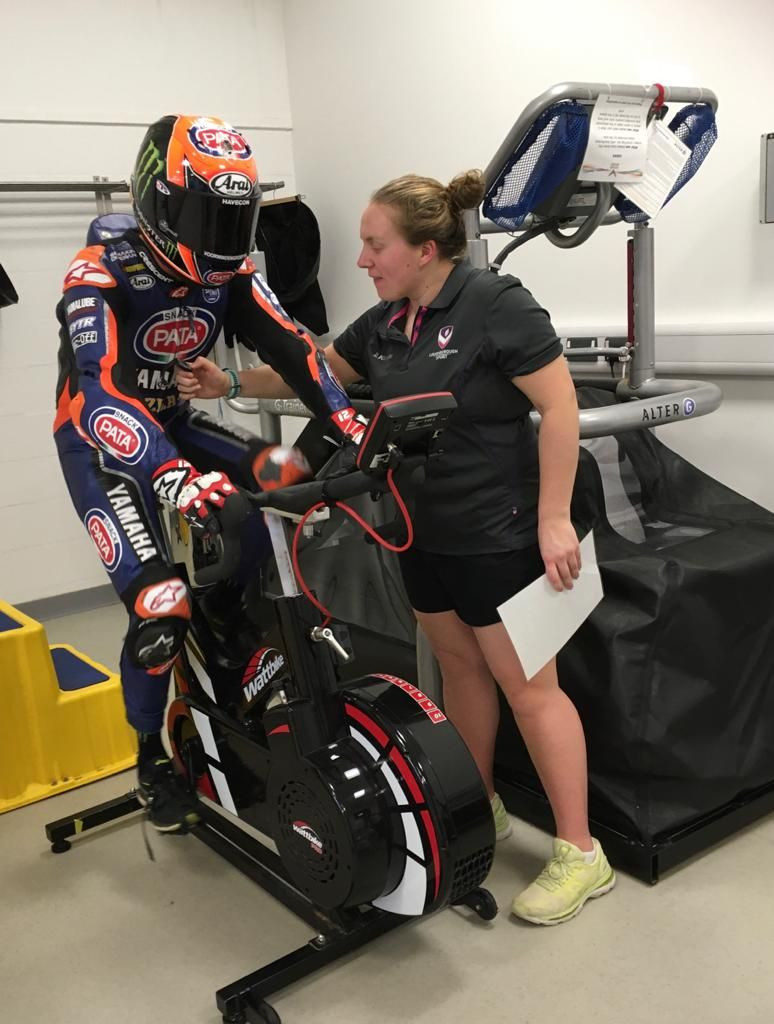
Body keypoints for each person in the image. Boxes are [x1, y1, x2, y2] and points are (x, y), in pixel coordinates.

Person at [176, 170, 615, 925]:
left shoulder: (493, 303)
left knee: (530, 691)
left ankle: (582, 852)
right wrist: (226, 383)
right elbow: (313, 373)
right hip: (424, 532)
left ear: (425, 247)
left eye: (376, 245)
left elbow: (560, 406)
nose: (363, 260)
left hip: (501, 533)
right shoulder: (385, 322)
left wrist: (551, 519)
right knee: (460, 672)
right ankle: (481, 809)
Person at [53, 114, 365, 833]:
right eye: (207, 218)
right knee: (160, 607)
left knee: (286, 475)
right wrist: (167, 477)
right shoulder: (97, 271)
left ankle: (226, 624)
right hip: (100, 446)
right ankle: (149, 756)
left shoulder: (231, 274)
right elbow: (98, 394)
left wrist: (347, 419)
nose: (223, 239)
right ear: (158, 202)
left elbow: (292, 344)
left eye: (236, 220)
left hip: (176, 423)